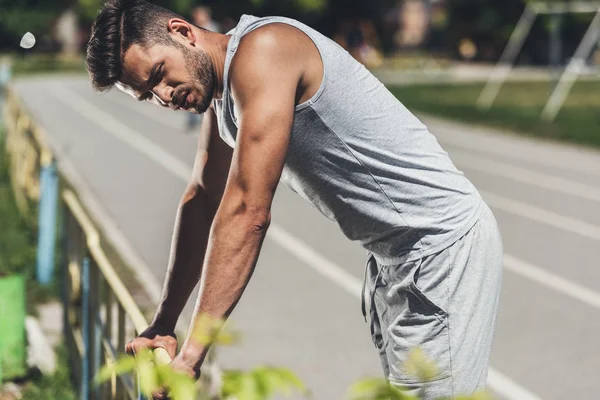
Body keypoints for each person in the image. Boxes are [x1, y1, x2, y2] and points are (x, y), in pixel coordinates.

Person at [85, 0, 503, 398]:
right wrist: (164, 322)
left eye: (159, 73)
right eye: (147, 94)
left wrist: (192, 354)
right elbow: (202, 198)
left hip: (440, 248)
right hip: (394, 260)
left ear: (182, 32)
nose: (163, 95)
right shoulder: (224, 95)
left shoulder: (265, 51)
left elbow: (247, 211)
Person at [186, 6, 221, 132]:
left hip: (210, 67)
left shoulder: (212, 28)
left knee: (209, 95)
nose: (197, 18)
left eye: (199, 16)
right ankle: (193, 119)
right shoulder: (193, 28)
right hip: (195, 67)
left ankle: (207, 121)